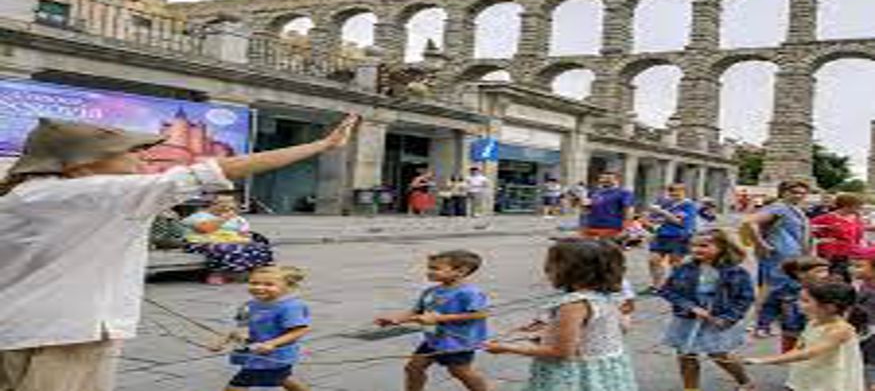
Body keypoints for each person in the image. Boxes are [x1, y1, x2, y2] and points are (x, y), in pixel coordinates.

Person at [0, 114, 358, 391]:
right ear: (81, 164)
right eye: (131, 151)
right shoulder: (83, 194)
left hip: (41, 328)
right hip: (60, 335)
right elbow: (210, 173)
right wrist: (321, 146)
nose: (144, 158)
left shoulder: (41, 193)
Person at [484, 239, 638, 391]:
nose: (546, 271)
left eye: (551, 266)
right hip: (606, 372)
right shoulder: (609, 296)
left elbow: (561, 352)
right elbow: (618, 328)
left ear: (572, 270)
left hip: (575, 376)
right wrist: (549, 330)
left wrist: (507, 347)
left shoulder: (574, 304)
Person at [374, 250, 490, 391]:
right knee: (413, 368)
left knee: (460, 372)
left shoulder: (469, 292)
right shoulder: (431, 291)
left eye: (435, 269)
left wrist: (439, 318)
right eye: (429, 267)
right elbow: (417, 311)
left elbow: (480, 314)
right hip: (433, 339)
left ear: (461, 271)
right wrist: (396, 319)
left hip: (458, 341)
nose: (429, 272)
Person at [659, 229, 756, 391]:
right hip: (686, 318)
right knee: (685, 355)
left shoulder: (736, 271)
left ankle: (745, 381)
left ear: (722, 247)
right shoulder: (684, 268)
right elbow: (667, 291)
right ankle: (691, 388)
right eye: (693, 245)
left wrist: (729, 318)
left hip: (717, 318)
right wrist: (690, 306)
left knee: (719, 354)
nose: (696, 249)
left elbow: (745, 298)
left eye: (704, 245)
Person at [745, 281, 865, 391]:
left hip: (829, 380)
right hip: (811, 375)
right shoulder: (813, 322)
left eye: (805, 301)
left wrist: (763, 360)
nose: (798, 303)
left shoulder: (840, 330)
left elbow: (809, 352)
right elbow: (800, 348)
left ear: (830, 307)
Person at [210, 266, 310, 391]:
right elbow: (241, 327)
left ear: (287, 287)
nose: (259, 287)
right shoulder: (249, 305)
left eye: (269, 284)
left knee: (235, 387)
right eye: (254, 283)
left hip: (273, 357)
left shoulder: (289, 307)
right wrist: (222, 341)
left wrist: (271, 344)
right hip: (255, 354)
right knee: (282, 378)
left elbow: (299, 330)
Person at [742, 180, 812, 330]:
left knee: (784, 289)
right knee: (771, 288)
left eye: (802, 193)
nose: (799, 196)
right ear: (783, 192)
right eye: (794, 192)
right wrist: (761, 243)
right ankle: (756, 322)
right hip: (778, 255)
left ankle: (767, 323)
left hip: (792, 255)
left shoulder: (794, 209)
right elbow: (749, 222)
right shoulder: (779, 208)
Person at [182, 195, 273, 285]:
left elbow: (243, 232)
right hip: (201, 242)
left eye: (231, 204)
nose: (227, 207)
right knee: (225, 248)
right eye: (222, 204)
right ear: (211, 205)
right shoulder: (198, 216)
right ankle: (218, 274)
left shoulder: (237, 219)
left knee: (259, 246)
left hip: (230, 240)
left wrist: (244, 236)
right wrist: (224, 218)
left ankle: (256, 273)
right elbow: (205, 229)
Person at [753, 256, 830, 351]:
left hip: (820, 332)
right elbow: (770, 308)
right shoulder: (784, 290)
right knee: (792, 360)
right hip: (792, 333)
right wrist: (763, 325)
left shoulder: (830, 289)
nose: (825, 275)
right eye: (819, 271)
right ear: (800, 274)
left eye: (826, 270)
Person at [643, 183, 698, 294]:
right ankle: (657, 286)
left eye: (678, 191)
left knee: (675, 263)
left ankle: (677, 286)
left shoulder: (688, 205)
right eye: (671, 191)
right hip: (661, 236)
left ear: (684, 192)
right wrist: (648, 221)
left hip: (679, 236)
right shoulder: (666, 203)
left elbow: (680, 222)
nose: (674, 193)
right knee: (653, 260)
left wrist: (661, 212)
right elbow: (654, 218)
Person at [811, 192, 875, 282]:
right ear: (846, 205)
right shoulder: (826, 218)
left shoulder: (855, 217)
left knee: (848, 279)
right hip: (834, 255)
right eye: (857, 206)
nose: (860, 208)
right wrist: (820, 240)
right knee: (835, 279)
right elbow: (809, 229)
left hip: (852, 254)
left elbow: (859, 231)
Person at [580, 171, 635, 239]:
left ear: (617, 180)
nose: (604, 180)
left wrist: (626, 227)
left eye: (608, 178)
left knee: (607, 249)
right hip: (591, 226)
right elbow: (586, 210)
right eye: (602, 178)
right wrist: (584, 207)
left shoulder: (624, 193)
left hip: (612, 228)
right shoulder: (593, 192)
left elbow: (628, 210)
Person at [849, 252, 875, 391]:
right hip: (862, 332)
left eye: (858, 266)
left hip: (871, 335)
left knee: (869, 368)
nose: (851, 269)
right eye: (852, 265)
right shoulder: (865, 284)